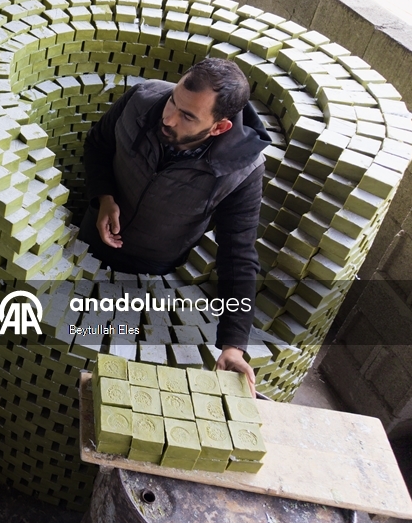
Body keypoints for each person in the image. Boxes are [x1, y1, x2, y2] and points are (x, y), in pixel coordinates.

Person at [80, 58, 270, 395]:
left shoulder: (242, 171)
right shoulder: (141, 100)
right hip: (90, 236)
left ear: (219, 127)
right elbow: (98, 144)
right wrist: (104, 197)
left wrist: (233, 344)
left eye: (187, 116)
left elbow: (238, 255)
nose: (168, 118)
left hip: (151, 266)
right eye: (174, 102)